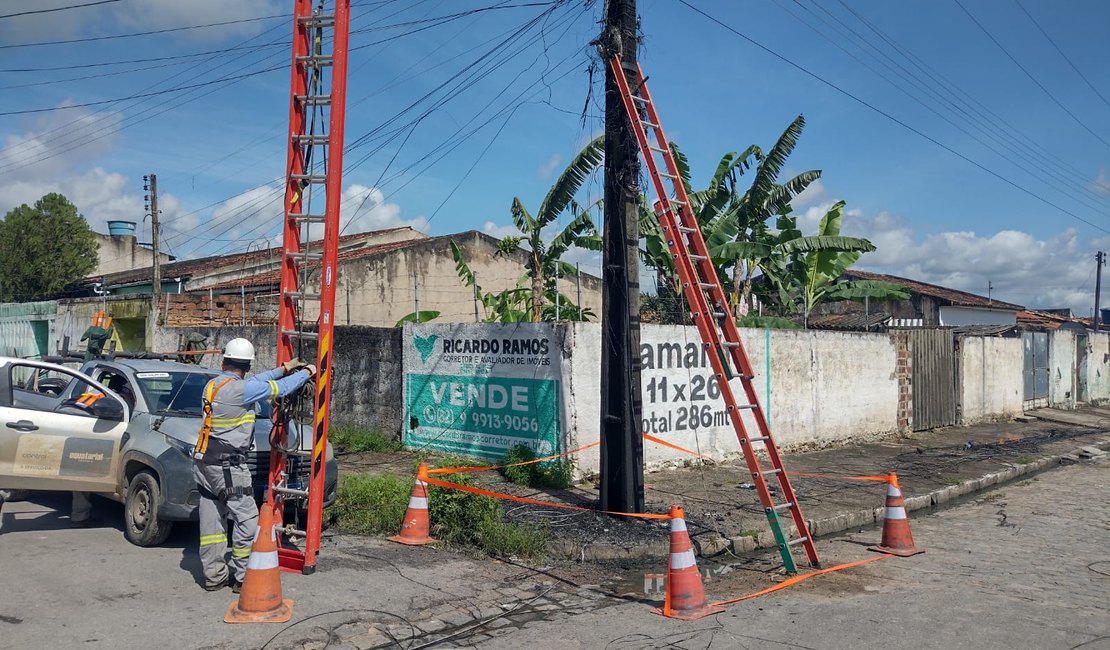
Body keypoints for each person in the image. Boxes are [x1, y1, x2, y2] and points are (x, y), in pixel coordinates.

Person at [192, 338, 315, 593]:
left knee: (212, 522)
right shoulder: (240, 390)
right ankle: (241, 577)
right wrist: (306, 372)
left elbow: (257, 382)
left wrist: (284, 368)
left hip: (204, 461)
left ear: (224, 361)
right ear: (247, 366)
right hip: (226, 465)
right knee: (247, 518)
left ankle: (214, 576)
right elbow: (279, 390)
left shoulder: (214, 385)